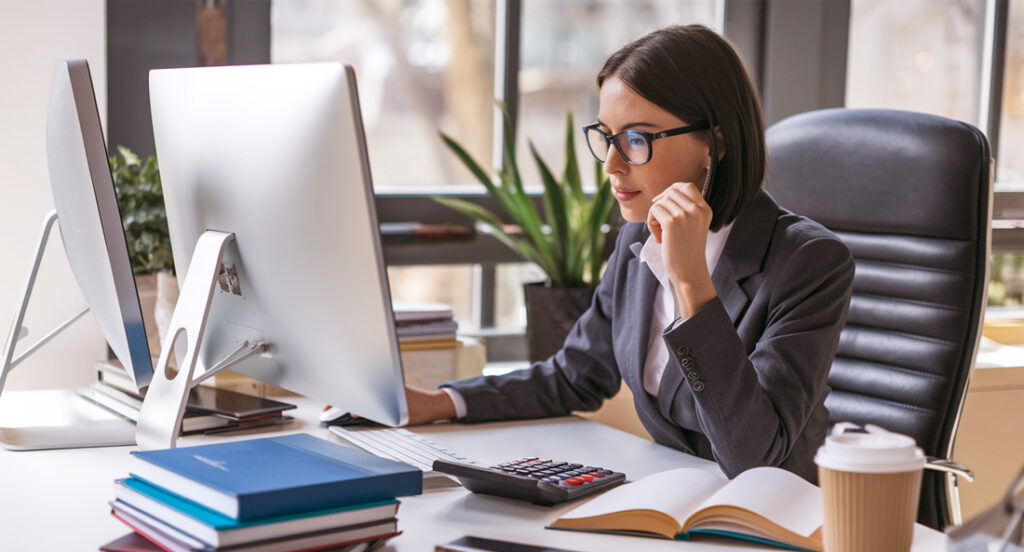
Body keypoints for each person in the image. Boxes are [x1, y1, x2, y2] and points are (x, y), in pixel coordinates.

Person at [403, 24, 855, 484]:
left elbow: (755, 456)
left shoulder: (808, 262)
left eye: (637, 139)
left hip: (775, 517)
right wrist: (440, 403)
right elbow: (574, 374)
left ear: (714, 144)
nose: (612, 166)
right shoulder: (636, 240)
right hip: (674, 497)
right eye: (606, 136)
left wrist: (691, 284)